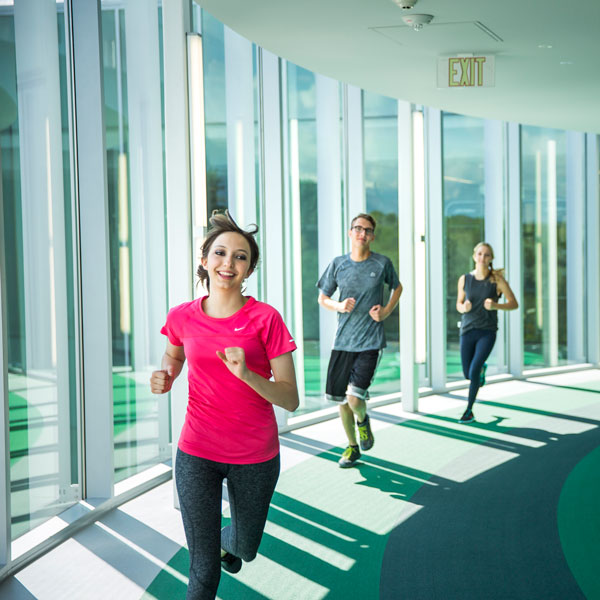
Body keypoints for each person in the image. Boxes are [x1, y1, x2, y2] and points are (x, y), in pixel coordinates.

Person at [150, 211, 299, 600]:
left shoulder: (266, 319)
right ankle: (210, 549)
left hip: (255, 456)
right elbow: (174, 355)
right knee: (202, 566)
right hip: (196, 451)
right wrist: (166, 374)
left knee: (245, 548)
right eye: (219, 253)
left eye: (240, 257)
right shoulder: (182, 316)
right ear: (204, 260)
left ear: (249, 269)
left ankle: (226, 544)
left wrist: (249, 375)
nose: (228, 263)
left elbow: (291, 398)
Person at [317, 213, 402, 468]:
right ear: (350, 232)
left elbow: (397, 287)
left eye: (367, 230)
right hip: (342, 342)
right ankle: (353, 447)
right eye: (357, 228)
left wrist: (386, 311)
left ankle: (363, 422)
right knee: (341, 401)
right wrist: (338, 305)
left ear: (372, 236)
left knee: (354, 399)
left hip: (370, 343)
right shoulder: (338, 264)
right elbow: (323, 298)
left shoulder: (382, 263)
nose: (362, 233)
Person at [456, 242, 518, 424]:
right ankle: (481, 370)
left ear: (491, 259)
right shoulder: (465, 279)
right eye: (480, 254)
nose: (483, 258)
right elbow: (459, 304)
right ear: (474, 256)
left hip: (487, 332)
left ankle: (469, 411)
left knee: (473, 370)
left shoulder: (496, 280)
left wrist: (496, 305)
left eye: (487, 255)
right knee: (468, 374)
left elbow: (514, 303)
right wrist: (463, 307)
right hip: (467, 330)